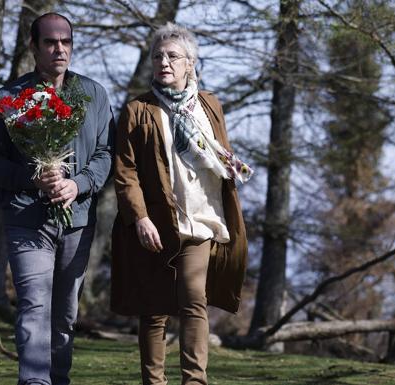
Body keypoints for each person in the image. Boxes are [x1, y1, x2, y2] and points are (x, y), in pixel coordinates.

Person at [111, 22, 251, 385]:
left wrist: (229, 163)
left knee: (193, 303)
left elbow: (218, 150)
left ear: (191, 63)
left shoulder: (209, 105)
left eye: (173, 56)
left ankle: (195, 381)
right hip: (157, 225)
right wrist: (139, 218)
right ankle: (153, 382)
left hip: (201, 221)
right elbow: (125, 173)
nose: (164, 62)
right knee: (154, 310)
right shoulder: (137, 110)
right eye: (158, 56)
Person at [0, 12, 114, 385]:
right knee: (34, 305)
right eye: (50, 42)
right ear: (33, 46)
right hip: (27, 219)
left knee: (65, 314)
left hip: (78, 221)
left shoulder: (93, 94)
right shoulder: (8, 99)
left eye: (65, 42)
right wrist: (31, 178)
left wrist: (78, 184)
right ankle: (34, 382)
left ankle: (58, 379)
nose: (59, 49)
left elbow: (106, 153)